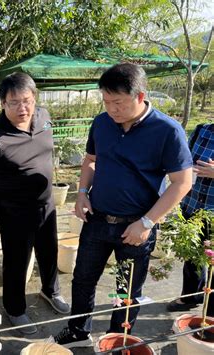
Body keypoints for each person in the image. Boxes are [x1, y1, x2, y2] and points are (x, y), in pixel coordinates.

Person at [53, 63, 193, 348]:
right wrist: (81, 193)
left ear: (140, 96)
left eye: (117, 102)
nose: (111, 109)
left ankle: (118, 339)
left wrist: (146, 223)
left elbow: (182, 182)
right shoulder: (102, 123)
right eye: (106, 101)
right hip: (98, 219)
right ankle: (78, 331)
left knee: (127, 289)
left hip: (136, 224)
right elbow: (91, 160)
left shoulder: (167, 131)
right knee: (82, 279)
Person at [0, 72, 70, 336]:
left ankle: (50, 291)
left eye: (27, 101)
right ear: (3, 104)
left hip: (46, 202)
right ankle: (14, 308)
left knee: (49, 249)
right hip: (13, 209)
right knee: (17, 260)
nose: (23, 108)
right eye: (14, 102)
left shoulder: (43, 116)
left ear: (35, 98)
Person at [166, 123, 213, 315]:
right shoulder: (203, 130)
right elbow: (184, 160)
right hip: (193, 206)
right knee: (192, 256)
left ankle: (210, 316)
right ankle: (190, 296)